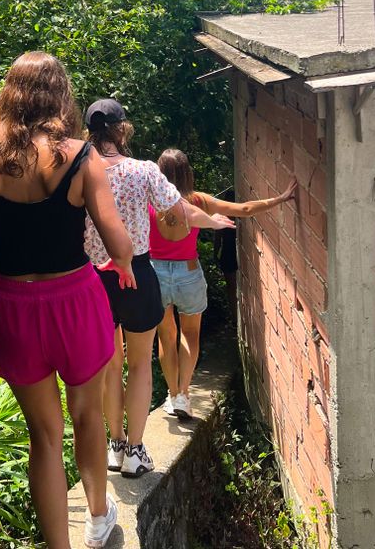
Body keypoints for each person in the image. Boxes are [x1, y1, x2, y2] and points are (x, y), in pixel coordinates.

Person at [0, 53, 136, 549]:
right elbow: (120, 248)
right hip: (75, 301)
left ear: (9, 95)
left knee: (44, 437)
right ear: (60, 97)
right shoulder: (81, 156)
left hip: (14, 308)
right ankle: (99, 518)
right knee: (87, 416)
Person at [82, 99, 234, 480]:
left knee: (110, 365)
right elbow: (180, 211)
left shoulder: (78, 172)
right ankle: (135, 451)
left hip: (95, 279)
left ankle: (115, 445)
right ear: (121, 129)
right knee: (139, 365)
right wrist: (214, 222)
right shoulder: (143, 170)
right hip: (136, 274)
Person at [151, 149, 297, 419]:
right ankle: (183, 395)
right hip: (188, 275)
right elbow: (244, 209)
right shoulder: (198, 201)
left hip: (155, 274)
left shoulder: (149, 200)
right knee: (190, 335)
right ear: (187, 173)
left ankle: (172, 394)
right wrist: (280, 198)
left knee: (166, 336)